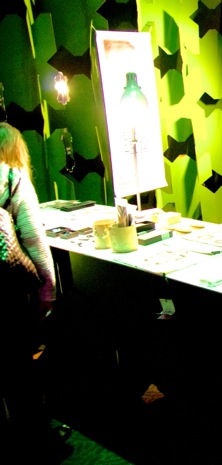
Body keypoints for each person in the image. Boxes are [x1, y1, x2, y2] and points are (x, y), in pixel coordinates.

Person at [0, 122, 71, 463]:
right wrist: (49, 291)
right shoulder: (13, 179)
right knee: (18, 367)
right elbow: (35, 241)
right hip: (6, 293)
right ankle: (38, 443)